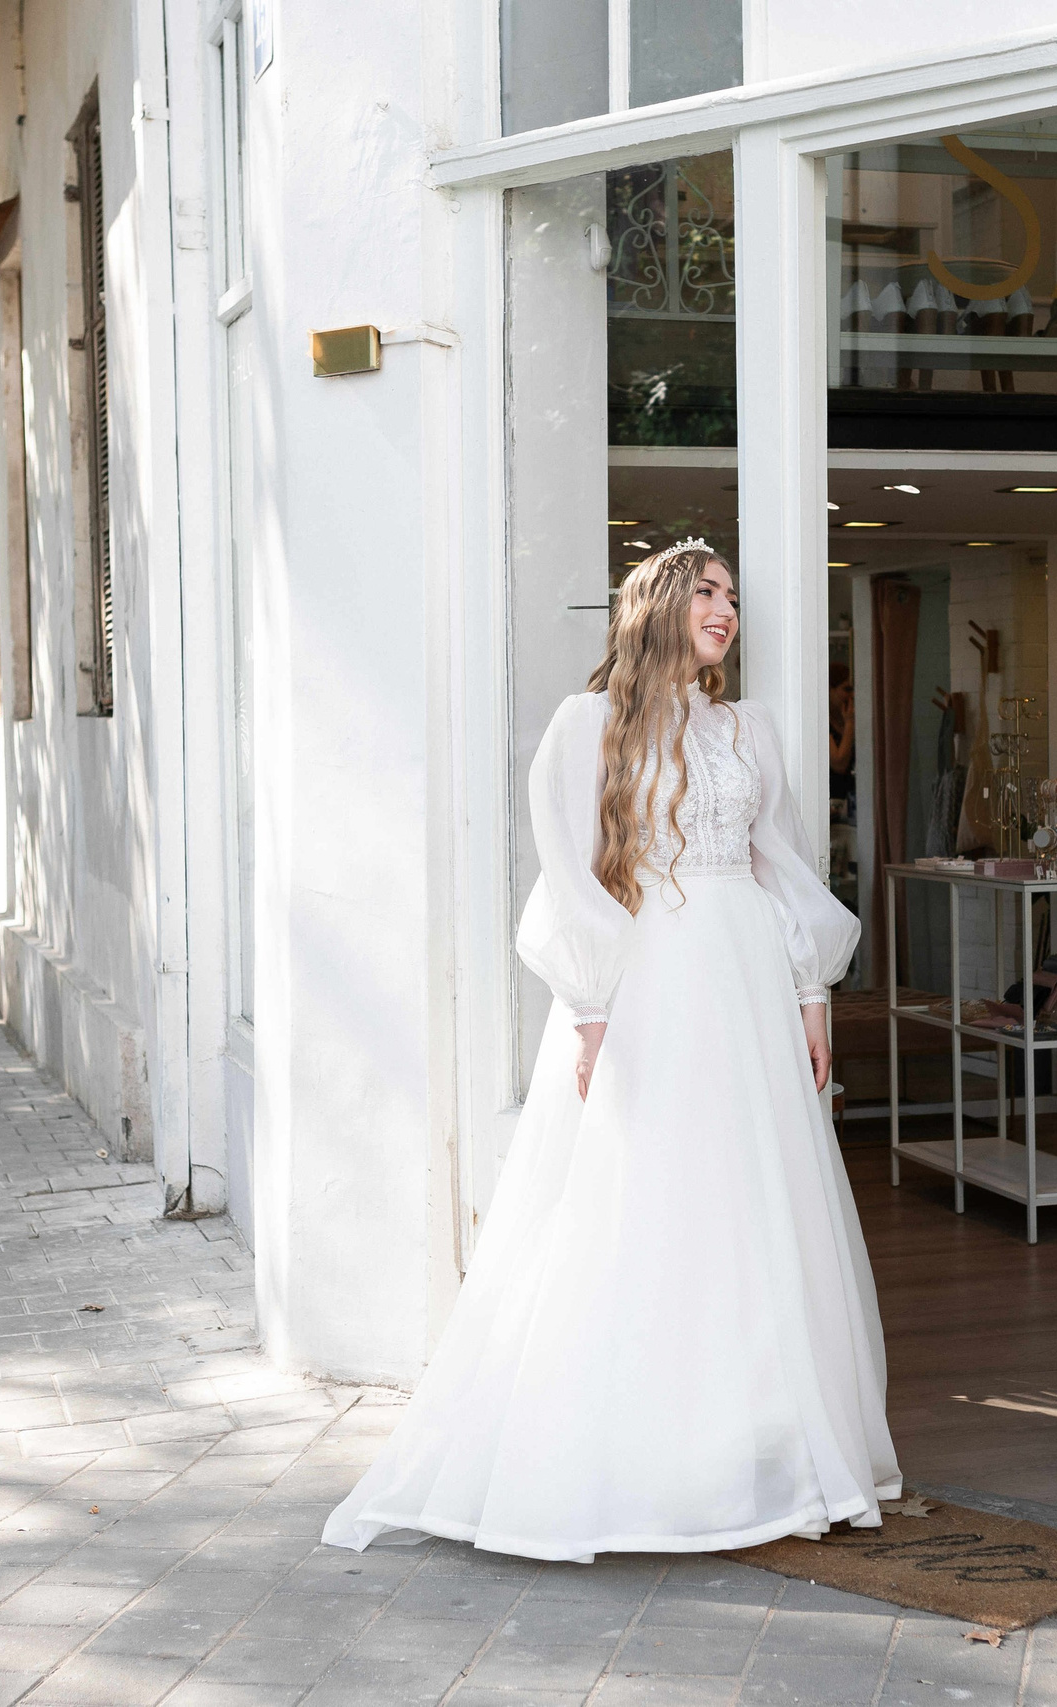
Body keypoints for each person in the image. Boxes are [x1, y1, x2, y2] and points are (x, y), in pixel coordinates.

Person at [322, 539, 900, 1562]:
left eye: (732, 596)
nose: (725, 608)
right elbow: (569, 868)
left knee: (752, 1206)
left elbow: (782, 866)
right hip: (648, 982)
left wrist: (813, 991)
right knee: (639, 1198)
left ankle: (759, 1450)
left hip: (746, 980)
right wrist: (591, 1009)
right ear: (660, 605)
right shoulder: (589, 724)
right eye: (706, 592)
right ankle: (631, 1453)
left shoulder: (747, 728)